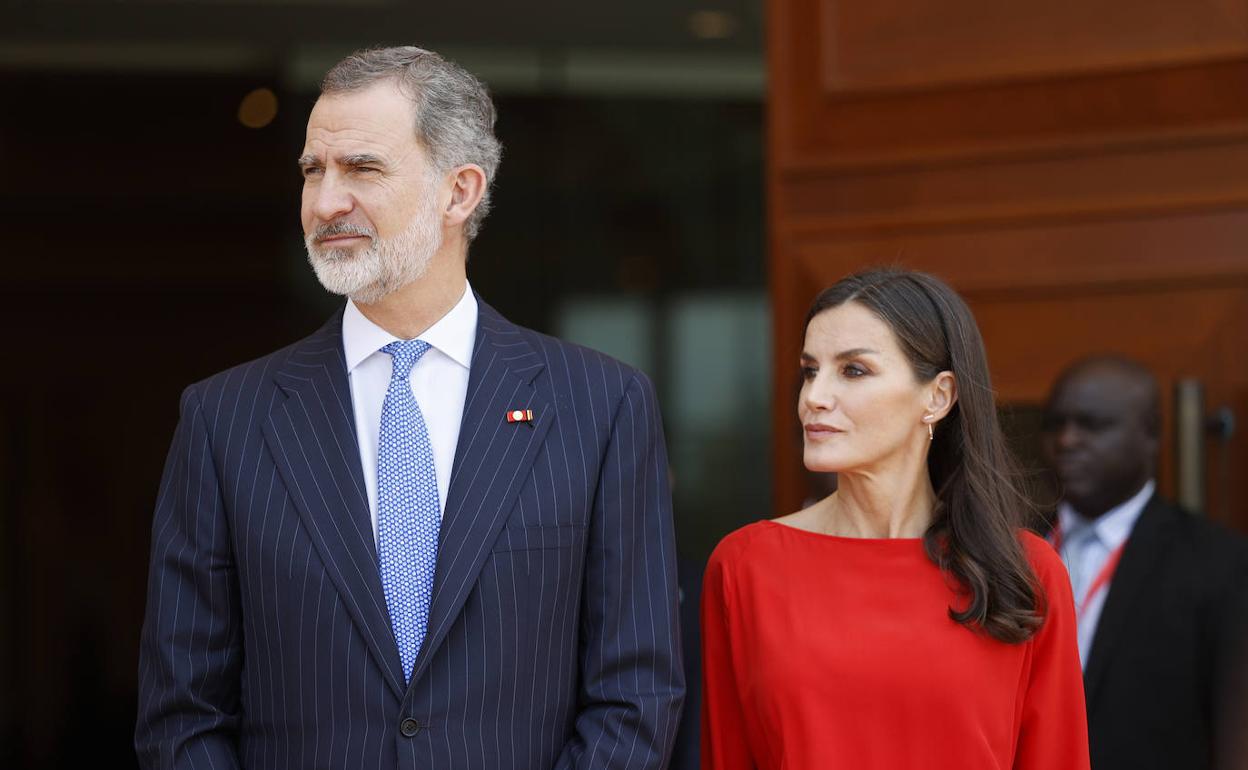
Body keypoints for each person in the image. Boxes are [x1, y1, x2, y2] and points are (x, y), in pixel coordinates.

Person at [135, 46, 684, 770]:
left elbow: (636, 692)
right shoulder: (224, 421)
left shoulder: (601, 406)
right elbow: (183, 718)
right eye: (312, 171)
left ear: (459, 192)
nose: (326, 202)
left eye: (362, 168)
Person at [701, 268, 1090, 770]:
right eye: (809, 370)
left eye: (853, 370)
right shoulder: (745, 566)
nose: (814, 396)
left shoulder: (1026, 570)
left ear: (938, 396)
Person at [1040, 355, 1248, 770]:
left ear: (1151, 433)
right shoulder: (1006, 544)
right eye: (1056, 423)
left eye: (1092, 425)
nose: (1067, 440)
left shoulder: (1219, 563)